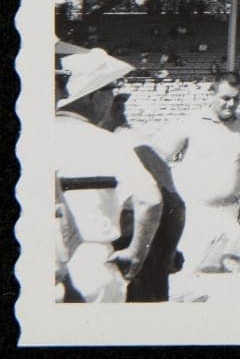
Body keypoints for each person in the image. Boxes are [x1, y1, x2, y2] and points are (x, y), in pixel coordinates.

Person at [55, 48, 163, 302]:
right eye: (110, 90)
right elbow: (150, 200)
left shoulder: (32, 136)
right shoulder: (109, 143)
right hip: (92, 260)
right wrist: (136, 252)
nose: (112, 99)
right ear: (92, 96)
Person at [153, 71, 240, 286]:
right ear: (212, 93)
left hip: (231, 213)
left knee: (229, 278)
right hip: (196, 213)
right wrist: (169, 197)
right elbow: (157, 157)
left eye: (236, 99)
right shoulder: (191, 123)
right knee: (188, 278)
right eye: (225, 98)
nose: (230, 104)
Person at [105, 93, 186, 302]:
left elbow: (171, 202)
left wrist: (164, 249)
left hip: (138, 236)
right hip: (148, 235)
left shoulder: (127, 143)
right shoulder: (134, 139)